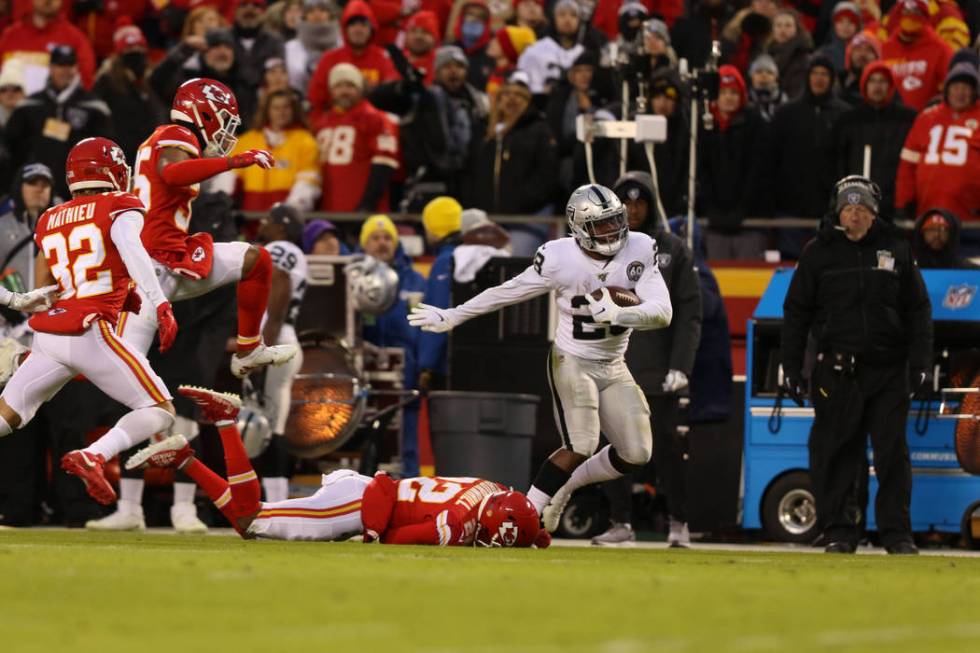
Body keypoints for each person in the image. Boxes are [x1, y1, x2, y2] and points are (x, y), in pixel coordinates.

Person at [409, 184, 672, 534]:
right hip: (573, 359)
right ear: (579, 227)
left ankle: (567, 484)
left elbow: (663, 312)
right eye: (601, 225)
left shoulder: (640, 247)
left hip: (614, 364)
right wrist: (455, 315)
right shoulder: (559, 257)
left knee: (637, 452)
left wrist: (620, 314)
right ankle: (520, 516)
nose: (612, 231)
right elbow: (509, 291)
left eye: (615, 221)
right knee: (582, 442)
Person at [128, 386, 545, 547]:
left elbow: (530, 529)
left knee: (248, 520)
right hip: (360, 502)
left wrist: (535, 537)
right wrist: (373, 533)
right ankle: (223, 420)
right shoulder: (461, 522)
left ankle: (184, 458)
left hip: (363, 492)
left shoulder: (493, 488)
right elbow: (403, 534)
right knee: (249, 521)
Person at [0, 137, 178, 507]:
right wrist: (159, 301)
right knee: (160, 410)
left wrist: (118, 290)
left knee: (8, 417)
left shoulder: (49, 218)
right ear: (111, 169)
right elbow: (132, 251)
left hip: (49, 332)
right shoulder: (120, 204)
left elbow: (52, 279)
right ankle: (94, 454)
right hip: (89, 329)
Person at [781, 175, 932, 555]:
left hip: (888, 370)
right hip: (836, 371)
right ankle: (840, 531)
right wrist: (791, 366)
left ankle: (896, 533)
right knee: (838, 453)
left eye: (862, 208)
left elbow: (918, 311)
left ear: (874, 213)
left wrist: (921, 364)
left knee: (891, 453)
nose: (855, 215)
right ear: (838, 212)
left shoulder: (898, 248)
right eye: (848, 208)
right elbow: (796, 313)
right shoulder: (817, 253)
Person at [119, 78, 298, 380]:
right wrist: (234, 162)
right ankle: (30, 357)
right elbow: (173, 173)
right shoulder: (178, 134)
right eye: (224, 120)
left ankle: (249, 349)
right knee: (115, 371)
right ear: (205, 113)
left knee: (255, 260)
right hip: (150, 269)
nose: (227, 130)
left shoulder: (166, 136)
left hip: (171, 256)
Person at [592, 172, 701, 548]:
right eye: (626, 203)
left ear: (651, 205)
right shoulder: (599, 247)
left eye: (640, 202)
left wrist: (681, 366)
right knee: (614, 448)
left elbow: (689, 314)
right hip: (614, 367)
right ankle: (620, 521)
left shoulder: (673, 250)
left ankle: (679, 522)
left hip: (658, 370)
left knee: (668, 449)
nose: (633, 209)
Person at [358, 214, 426, 475]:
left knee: (407, 443)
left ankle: (411, 492)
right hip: (366, 370)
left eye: (387, 237)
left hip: (406, 371)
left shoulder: (415, 281)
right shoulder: (355, 278)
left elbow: (424, 328)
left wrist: (422, 366)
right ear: (365, 244)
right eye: (375, 238)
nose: (382, 243)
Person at [4, 45, 112, 200]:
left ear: (76, 68)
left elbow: (106, 151)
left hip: (80, 190)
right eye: (61, 65)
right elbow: (11, 149)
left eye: (70, 65)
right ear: (51, 68)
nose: (66, 70)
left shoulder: (95, 107)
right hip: (37, 190)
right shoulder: (29, 105)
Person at [252, 204, 307, 504]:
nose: (263, 222)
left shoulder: (280, 248)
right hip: (282, 339)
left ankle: (276, 503)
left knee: (269, 427)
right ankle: (276, 500)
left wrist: (263, 346)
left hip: (276, 340)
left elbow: (280, 284)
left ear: (283, 228)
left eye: (270, 220)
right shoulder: (288, 249)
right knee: (272, 425)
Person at [770, 54, 849, 259]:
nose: (819, 78)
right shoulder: (786, 113)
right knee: (790, 265)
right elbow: (773, 158)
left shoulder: (844, 114)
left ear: (831, 79)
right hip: (790, 207)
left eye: (824, 74)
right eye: (815, 73)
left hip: (829, 208)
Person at [463, 72, 558, 223]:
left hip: (526, 216)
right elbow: (469, 170)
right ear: (498, 99)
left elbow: (546, 172)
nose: (512, 99)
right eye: (506, 94)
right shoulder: (483, 131)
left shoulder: (539, 129)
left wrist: (524, 200)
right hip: (483, 217)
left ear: (528, 100)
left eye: (518, 95)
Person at [896, 60, 980, 230]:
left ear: (974, 92)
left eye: (966, 88)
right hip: (927, 218)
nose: (960, 93)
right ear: (947, 90)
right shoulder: (927, 118)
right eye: (956, 87)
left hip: (971, 221)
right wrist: (903, 202)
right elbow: (907, 165)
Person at [698, 65, 771, 260]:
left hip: (749, 223)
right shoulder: (703, 125)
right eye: (723, 92)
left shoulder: (756, 124)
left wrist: (742, 210)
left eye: (733, 92)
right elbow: (701, 171)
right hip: (713, 223)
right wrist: (711, 209)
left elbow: (758, 172)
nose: (728, 97)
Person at [831, 61, 915, 220]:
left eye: (882, 81)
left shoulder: (907, 119)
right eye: (872, 81)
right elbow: (840, 163)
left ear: (890, 85)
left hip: (894, 205)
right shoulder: (849, 120)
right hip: (857, 203)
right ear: (864, 85)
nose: (877, 86)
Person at [212, 89, 320, 211]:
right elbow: (227, 180)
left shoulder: (305, 141)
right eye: (276, 108)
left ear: (294, 110)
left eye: (286, 107)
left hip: (285, 221)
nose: (281, 112)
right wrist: (219, 206)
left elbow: (308, 182)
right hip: (249, 217)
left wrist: (287, 213)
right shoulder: (246, 141)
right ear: (267, 111)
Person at [312, 64, 399, 212]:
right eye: (338, 86)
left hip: (363, 213)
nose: (344, 91)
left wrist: (367, 204)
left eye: (350, 85)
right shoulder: (321, 123)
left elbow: (385, 164)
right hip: (328, 210)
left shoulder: (376, 119)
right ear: (331, 90)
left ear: (360, 89)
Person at [306, 0, 398, 124]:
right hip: (336, 123)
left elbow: (391, 96)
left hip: (372, 123)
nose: (358, 29)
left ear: (371, 29)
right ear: (345, 29)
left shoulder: (383, 58)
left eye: (363, 25)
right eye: (353, 24)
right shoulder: (330, 59)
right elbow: (316, 100)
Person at [149, 27, 258, 129]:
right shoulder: (189, 81)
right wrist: (184, 49)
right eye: (216, 46)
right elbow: (157, 81)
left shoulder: (244, 84)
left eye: (228, 47)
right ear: (203, 52)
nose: (223, 52)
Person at [93, 24, 166, 167]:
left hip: (150, 155)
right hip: (120, 156)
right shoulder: (106, 82)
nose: (135, 53)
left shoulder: (151, 80)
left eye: (139, 47)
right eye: (129, 49)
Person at [415, 196, 462, 393]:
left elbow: (438, 312)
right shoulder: (469, 255)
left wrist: (426, 364)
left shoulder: (445, 262)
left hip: (446, 365)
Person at [0, 0, 96, 94]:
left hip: (58, 107)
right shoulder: (10, 36)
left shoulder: (76, 39)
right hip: (12, 107)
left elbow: (86, 82)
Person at [881, 0, 952, 112]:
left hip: (927, 119)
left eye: (916, 12)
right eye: (906, 12)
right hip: (892, 122)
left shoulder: (941, 49)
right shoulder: (886, 49)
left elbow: (950, 88)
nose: (910, 16)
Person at [0, 163, 54, 299]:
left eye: (45, 185)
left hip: (50, 315)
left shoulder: (60, 228)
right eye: (32, 182)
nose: (39, 189)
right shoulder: (2, 226)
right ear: (19, 187)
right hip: (9, 317)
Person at [517, 0, 586, 99]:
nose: (568, 19)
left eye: (573, 15)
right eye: (562, 14)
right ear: (553, 18)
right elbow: (521, 87)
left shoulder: (584, 52)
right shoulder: (535, 51)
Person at [284, 0, 341, 95]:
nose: (317, 15)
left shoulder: (342, 44)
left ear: (330, 15)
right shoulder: (290, 48)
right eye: (311, 11)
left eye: (322, 10)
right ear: (304, 16)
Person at [230, 0, 286, 94]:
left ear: (263, 12)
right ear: (235, 10)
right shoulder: (223, 39)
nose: (250, 8)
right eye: (244, 4)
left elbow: (277, 72)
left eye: (256, 5)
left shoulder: (274, 41)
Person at [765, 8, 814, 100]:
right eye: (778, 25)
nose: (782, 30)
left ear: (797, 29)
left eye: (788, 25)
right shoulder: (768, 54)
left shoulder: (803, 57)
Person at [911, 209, 977, 269]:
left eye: (943, 229)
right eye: (931, 229)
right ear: (921, 233)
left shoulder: (969, 270)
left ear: (952, 233)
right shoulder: (909, 269)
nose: (937, 234)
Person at [840, 30, 880, 106]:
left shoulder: (885, 85)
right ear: (850, 55)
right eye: (858, 49)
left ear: (877, 57)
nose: (863, 54)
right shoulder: (838, 82)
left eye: (869, 50)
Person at [747, 54, 786, 122]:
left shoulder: (783, 99)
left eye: (769, 72)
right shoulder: (745, 98)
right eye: (759, 72)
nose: (764, 75)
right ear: (751, 76)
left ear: (776, 77)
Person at [0, 61, 25, 128]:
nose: (10, 93)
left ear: (24, 93)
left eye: (16, 89)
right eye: (4, 89)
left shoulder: (35, 119)